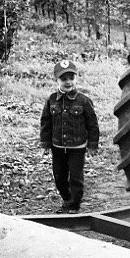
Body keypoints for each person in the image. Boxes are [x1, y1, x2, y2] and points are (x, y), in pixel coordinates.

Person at [40, 60, 100, 212]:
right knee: (59, 177)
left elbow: (92, 124)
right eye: (63, 78)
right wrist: (46, 143)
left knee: (75, 177)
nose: (68, 82)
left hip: (77, 147)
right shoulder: (52, 100)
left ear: (76, 79)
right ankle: (67, 198)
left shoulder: (84, 101)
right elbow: (46, 122)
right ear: (57, 80)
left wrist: (92, 145)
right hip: (58, 146)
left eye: (71, 78)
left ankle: (74, 205)